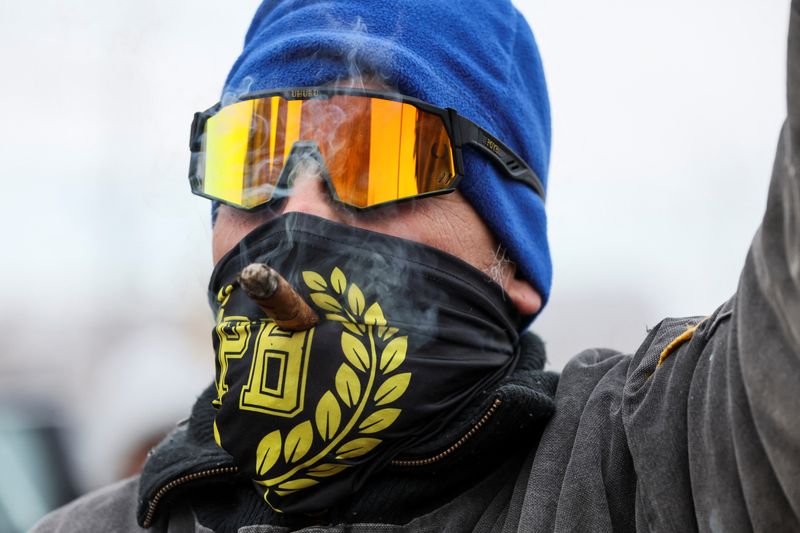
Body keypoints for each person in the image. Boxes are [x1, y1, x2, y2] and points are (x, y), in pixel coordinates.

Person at [33, 0, 799, 531]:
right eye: (252, 155)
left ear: (512, 259)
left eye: (376, 154)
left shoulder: (646, 476)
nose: (296, 212)